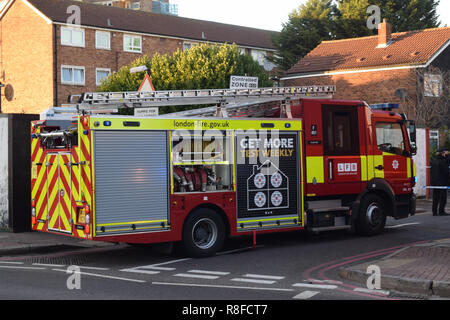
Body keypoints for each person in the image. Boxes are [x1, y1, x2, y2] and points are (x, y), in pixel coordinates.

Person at [430, 148, 450, 216]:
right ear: (442, 153)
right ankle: (441, 211)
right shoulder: (442, 161)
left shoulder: (433, 160)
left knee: (435, 197)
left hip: (434, 182)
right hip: (442, 182)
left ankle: (434, 212)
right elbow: (446, 172)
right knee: (443, 197)